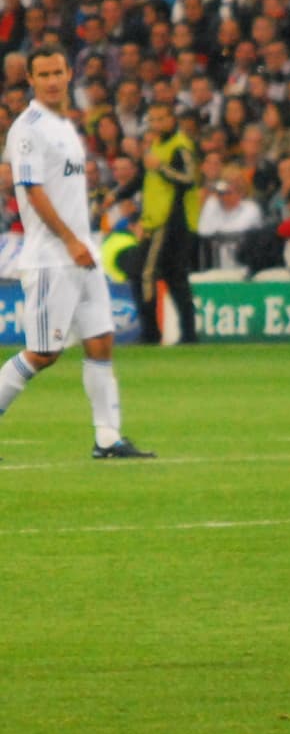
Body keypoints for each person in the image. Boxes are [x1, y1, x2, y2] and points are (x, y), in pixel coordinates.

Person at [0, 44, 154, 460]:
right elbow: (32, 191)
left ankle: (107, 438)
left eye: (57, 73)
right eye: (43, 74)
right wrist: (69, 241)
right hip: (53, 257)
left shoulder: (65, 125)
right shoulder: (28, 127)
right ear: (30, 80)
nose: (51, 81)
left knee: (100, 341)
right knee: (43, 353)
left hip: (82, 255)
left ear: (69, 75)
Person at [131, 101, 200, 344]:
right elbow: (145, 181)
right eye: (153, 120)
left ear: (172, 120)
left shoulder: (180, 146)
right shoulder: (156, 145)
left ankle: (151, 333)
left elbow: (189, 179)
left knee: (144, 274)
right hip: (156, 221)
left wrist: (160, 168)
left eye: (161, 119)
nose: (157, 124)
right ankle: (188, 335)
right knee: (174, 277)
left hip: (171, 222)